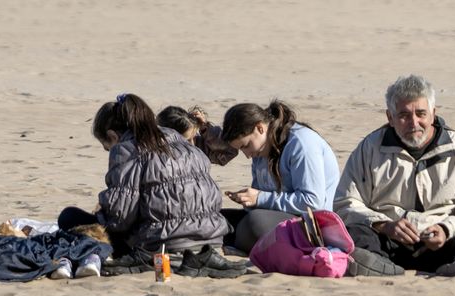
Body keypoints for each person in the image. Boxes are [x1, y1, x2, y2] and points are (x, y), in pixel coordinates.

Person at [335, 74, 455, 277]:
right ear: (390, 117)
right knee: (357, 233)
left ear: (433, 113)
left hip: (441, 244)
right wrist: (383, 225)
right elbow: (344, 202)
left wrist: (446, 228)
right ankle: (380, 267)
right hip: (388, 243)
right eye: (404, 115)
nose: (414, 123)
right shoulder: (370, 148)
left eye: (421, 114)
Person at [58, 94, 233, 270]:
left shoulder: (125, 149)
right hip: (212, 239)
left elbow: (120, 217)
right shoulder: (178, 139)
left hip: (163, 244)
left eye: (107, 146)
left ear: (112, 135)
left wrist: (102, 213)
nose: (109, 151)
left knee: (69, 217)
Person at [218, 100, 340, 255]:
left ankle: (245, 245)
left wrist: (260, 199)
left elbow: (312, 202)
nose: (247, 155)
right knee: (216, 219)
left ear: (260, 128)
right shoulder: (261, 149)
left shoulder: (301, 143)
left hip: (312, 226)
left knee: (254, 222)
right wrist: (248, 200)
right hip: (278, 218)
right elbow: (263, 199)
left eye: (246, 145)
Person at [157, 105, 238, 166]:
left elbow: (231, 150)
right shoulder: (153, 157)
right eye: (187, 140)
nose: (192, 144)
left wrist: (206, 130)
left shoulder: (197, 148)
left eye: (194, 137)